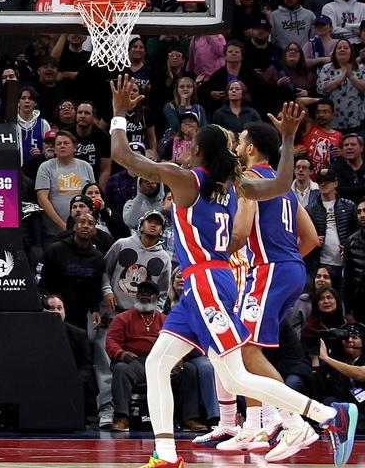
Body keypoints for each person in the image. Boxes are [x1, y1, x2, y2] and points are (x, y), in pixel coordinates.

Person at [108, 75, 356, 468]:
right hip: (202, 284)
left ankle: (327, 415)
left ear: (199, 152)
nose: (184, 150)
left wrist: (120, 113)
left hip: (208, 281)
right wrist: (289, 141)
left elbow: (123, 155)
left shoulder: (188, 181)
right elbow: (280, 184)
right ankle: (167, 455)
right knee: (157, 365)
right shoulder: (237, 186)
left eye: (190, 145)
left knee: (236, 376)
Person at [203, 123, 320, 457]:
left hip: (268, 271)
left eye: (240, 141)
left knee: (246, 353)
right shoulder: (281, 185)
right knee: (249, 350)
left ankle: (294, 422)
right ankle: (254, 427)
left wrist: (212, 253)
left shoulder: (248, 182)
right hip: (292, 270)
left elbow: (239, 233)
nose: (238, 145)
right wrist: (286, 261)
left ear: (251, 147)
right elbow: (311, 237)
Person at [106, 281, 204, 433]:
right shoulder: (123, 318)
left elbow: (180, 340)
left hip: (162, 361)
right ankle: (122, 417)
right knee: (121, 369)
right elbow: (111, 341)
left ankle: (190, 418)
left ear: (157, 298)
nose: (144, 294)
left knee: (189, 370)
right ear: (136, 295)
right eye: (141, 292)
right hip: (135, 361)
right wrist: (120, 353)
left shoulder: (166, 320)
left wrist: (179, 357)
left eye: (148, 292)